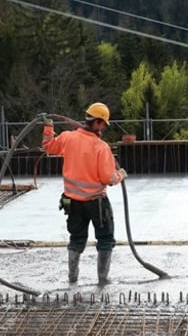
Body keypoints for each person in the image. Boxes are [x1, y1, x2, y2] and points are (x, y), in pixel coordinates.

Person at [41, 102, 127, 285]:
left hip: (72, 202)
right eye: (103, 124)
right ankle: (103, 279)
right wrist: (119, 175)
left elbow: (48, 146)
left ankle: (73, 277)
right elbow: (106, 178)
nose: (103, 128)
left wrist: (48, 126)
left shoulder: (68, 138)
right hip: (96, 202)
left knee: (76, 238)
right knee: (105, 239)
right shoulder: (101, 147)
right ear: (96, 123)